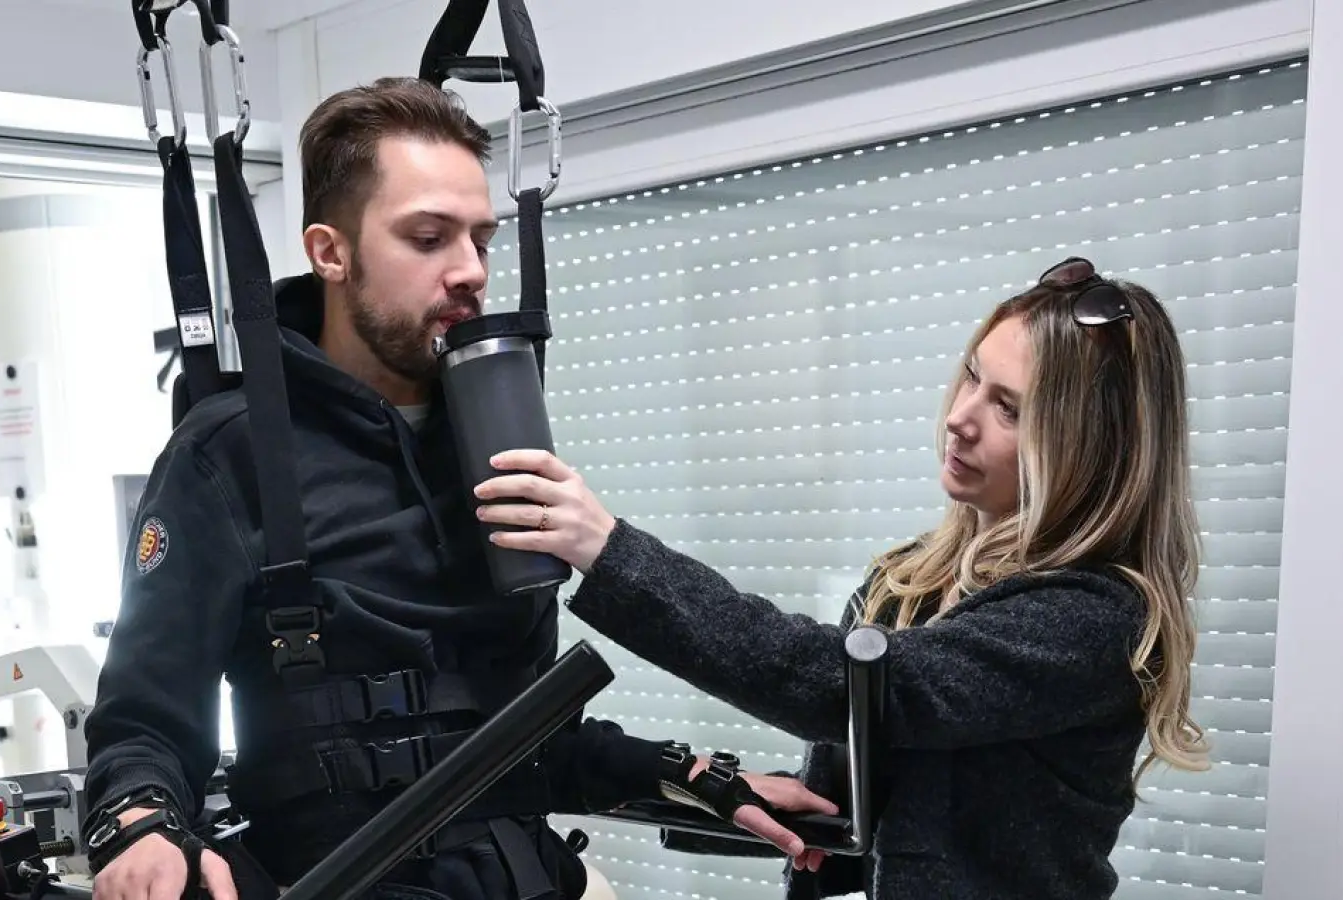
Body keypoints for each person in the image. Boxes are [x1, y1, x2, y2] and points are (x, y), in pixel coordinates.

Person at [80, 76, 836, 900]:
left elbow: (517, 745)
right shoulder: (226, 455)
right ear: (330, 252)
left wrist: (688, 774)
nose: (471, 271)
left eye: (481, 239)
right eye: (429, 238)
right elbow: (143, 725)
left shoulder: (497, 441)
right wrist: (141, 824)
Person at [473, 257, 1212, 899]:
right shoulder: (909, 581)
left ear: (1086, 448)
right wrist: (708, 788)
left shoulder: (1090, 619)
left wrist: (610, 551)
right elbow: (855, 811)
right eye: (973, 378)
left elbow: (840, 691)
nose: (960, 417)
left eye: (1008, 409)